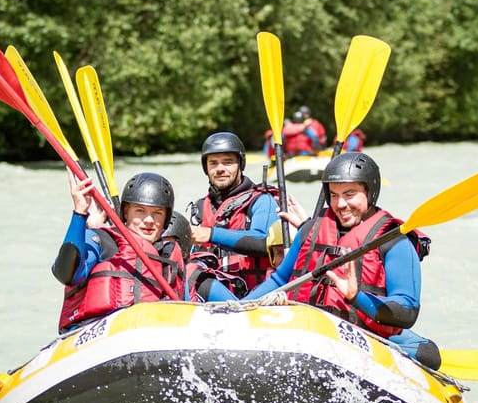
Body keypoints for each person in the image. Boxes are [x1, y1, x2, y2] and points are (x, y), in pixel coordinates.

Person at [241, 152, 442, 371]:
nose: (341, 204)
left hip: (361, 334)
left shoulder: (394, 242)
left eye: (350, 194)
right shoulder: (311, 229)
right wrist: (241, 308)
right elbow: (281, 279)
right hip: (306, 328)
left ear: (370, 192)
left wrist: (356, 296)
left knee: (428, 356)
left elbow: (407, 311)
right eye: (334, 195)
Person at [51, 170, 186, 332]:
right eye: (140, 211)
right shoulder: (105, 241)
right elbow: (67, 274)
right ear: (125, 213)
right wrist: (80, 213)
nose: (149, 220)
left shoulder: (169, 259)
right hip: (95, 334)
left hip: (149, 335)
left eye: (157, 213)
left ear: (166, 218)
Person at [188, 132, 281, 295]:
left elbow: (264, 241)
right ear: (206, 168)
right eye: (213, 163)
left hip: (254, 296)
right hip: (211, 297)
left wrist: (211, 234)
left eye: (228, 162)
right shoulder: (201, 207)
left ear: (240, 165)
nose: (220, 169)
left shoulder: (261, 200)